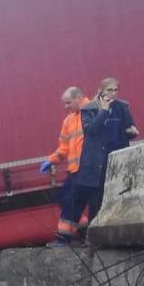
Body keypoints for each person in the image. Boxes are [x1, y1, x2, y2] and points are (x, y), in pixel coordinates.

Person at [60, 78, 135, 245]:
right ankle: (93, 237)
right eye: (109, 90)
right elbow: (92, 130)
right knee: (96, 200)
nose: (113, 93)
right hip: (97, 163)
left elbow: (129, 127)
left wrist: (131, 131)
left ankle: (116, 234)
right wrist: (104, 111)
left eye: (115, 90)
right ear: (101, 90)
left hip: (117, 159)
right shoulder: (89, 109)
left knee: (119, 197)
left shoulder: (122, 107)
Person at [40, 86, 89, 245]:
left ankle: (63, 238)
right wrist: (52, 160)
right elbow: (64, 147)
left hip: (87, 168)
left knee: (70, 201)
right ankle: (83, 231)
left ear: (78, 98)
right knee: (64, 199)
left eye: (68, 103)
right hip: (74, 170)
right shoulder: (68, 120)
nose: (65, 107)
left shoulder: (90, 112)